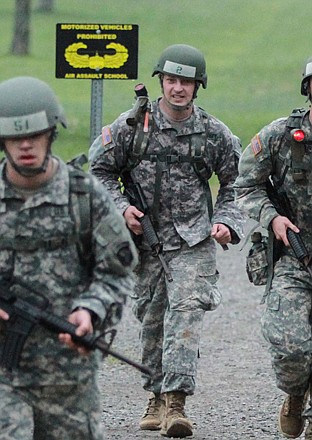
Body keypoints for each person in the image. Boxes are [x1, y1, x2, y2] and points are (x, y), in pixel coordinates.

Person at [89, 44, 244, 438]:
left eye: (186, 83)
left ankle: (176, 402)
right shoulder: (131, 126)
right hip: (145, 241)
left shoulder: (213, 134)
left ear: (198, 87)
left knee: (186, 314)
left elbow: (237, 182)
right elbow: (99, 171)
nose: (178, 89)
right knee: (152, 319)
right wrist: (122, 208)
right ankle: (155, 394)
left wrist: (225, 220)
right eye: (171, 80)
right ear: (161, 82)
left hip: (193, 240)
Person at [0, 76, 138, 440]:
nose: (26, 145)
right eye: (16, 137)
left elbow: (118, 271)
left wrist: (90, 310)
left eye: (36, 134)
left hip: (69, 374)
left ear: (51, 133)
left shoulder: (85, 196)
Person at [235, 56, 312, 439]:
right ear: (308, 90)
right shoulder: (280, 136)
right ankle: (295, 393)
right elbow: (244, 185)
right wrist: (272, 217)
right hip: (294, 259)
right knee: (290, 347)